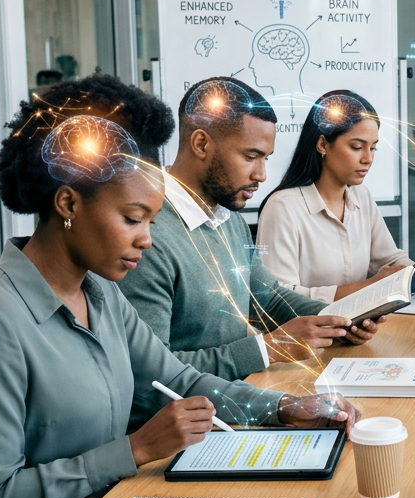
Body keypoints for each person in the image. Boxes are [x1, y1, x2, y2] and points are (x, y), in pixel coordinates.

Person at [0, 76, 360, 498]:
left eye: (151, 220)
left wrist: (286, 409)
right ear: (68, 203)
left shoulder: (98, 294)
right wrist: (133, 450)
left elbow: (180, 380)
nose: (147, 239)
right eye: (132, 219)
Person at [117, 76, 381, 381]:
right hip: (194, 417)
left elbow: (266, 296)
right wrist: (267, 349)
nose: (262, 175)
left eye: (266, 158)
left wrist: (339, 322)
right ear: (201, 144)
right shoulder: (147, 236)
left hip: (235, 397)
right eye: (250, 156)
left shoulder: (229, 219)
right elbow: (151, 374)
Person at [259, 90, 415, 301]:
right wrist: (370, 286)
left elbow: (388, 258)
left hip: (358, 325)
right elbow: (278, 297)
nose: (368, 159)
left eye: (373, 148)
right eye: (357, 147)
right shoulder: (282, 208)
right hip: (310, 330)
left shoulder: (361, 196)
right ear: (322, 145)